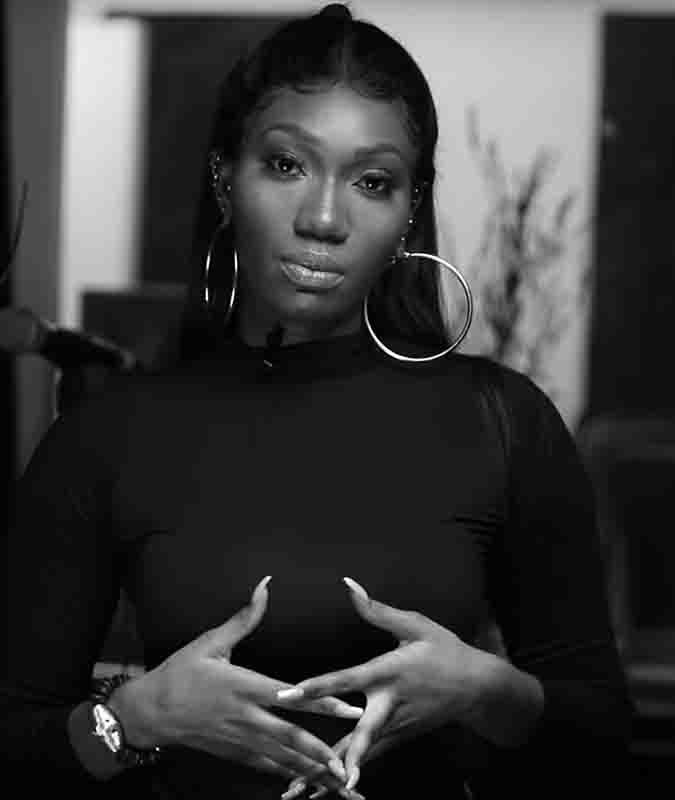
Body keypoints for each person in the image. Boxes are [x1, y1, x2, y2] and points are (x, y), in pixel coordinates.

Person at [0, 4, 632, 798]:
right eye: (287, 165)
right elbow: (14, 748)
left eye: (372, 182)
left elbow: (601, 745)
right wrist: (135, 720)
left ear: (409, 210)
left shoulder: (503, 423)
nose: (324, 219)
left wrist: (483, 690)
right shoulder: (108, 434)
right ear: (226, 178)